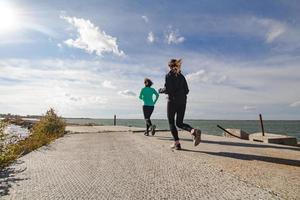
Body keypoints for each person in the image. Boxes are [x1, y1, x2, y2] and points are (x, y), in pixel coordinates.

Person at [159, 59, 201, 150]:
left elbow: (168, 90)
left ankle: (177, 143)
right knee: (179, 123)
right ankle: (193, 130)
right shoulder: (182, 77)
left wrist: (161, 90)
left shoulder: (168, 76)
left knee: (171, 122)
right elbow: (187, 90)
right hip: (182, 101)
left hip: (172, 101)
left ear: (170, 66)